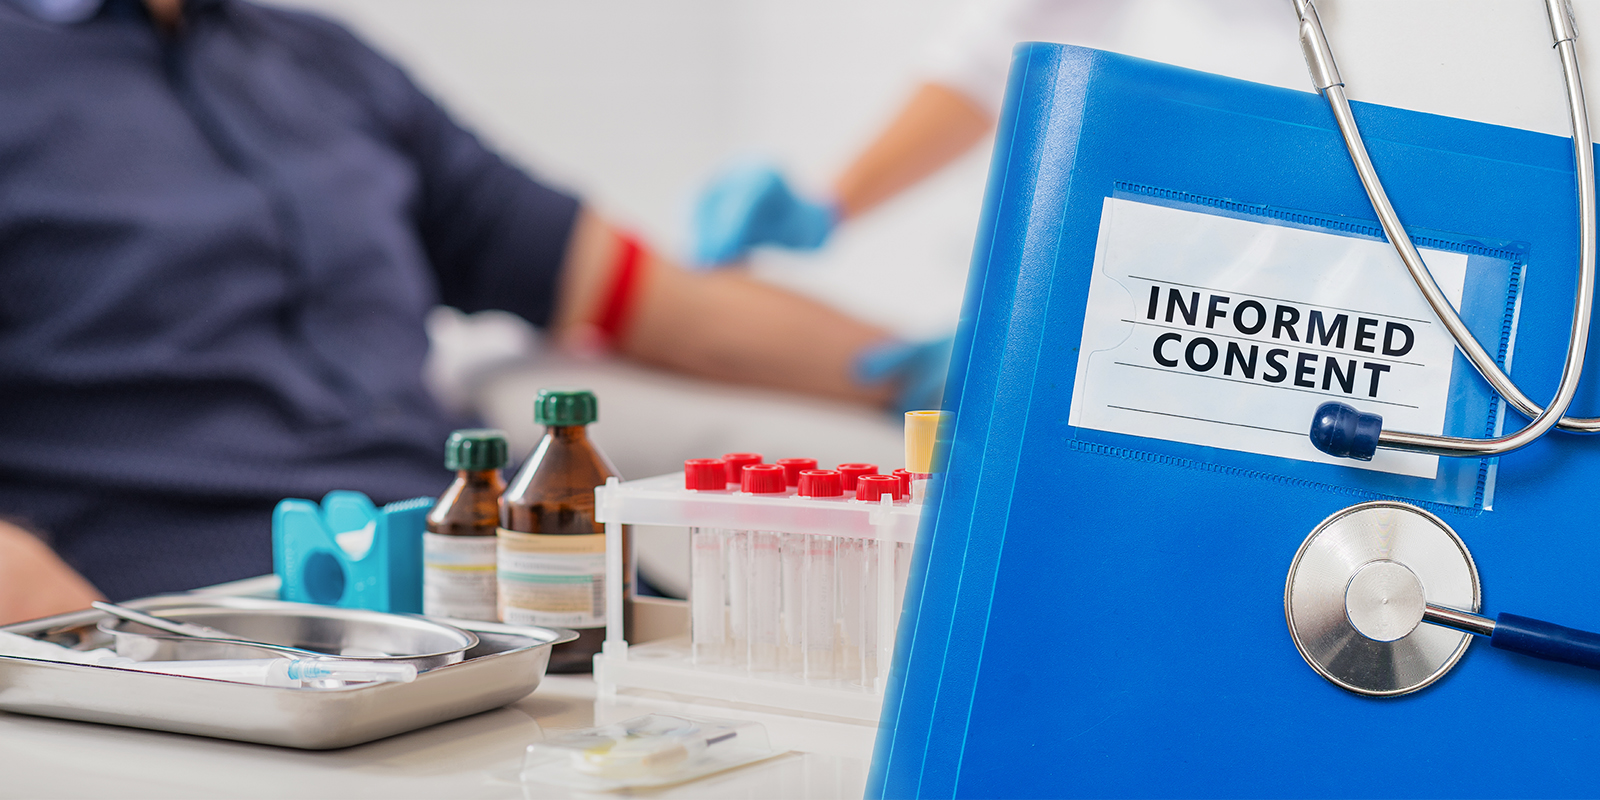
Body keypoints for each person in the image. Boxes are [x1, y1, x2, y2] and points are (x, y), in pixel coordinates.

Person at [0, 0, 938, 623]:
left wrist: (945, 373)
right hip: (204, 617)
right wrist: (107, 664)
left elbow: (659, 304)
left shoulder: (324, 64)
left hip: (489, 585)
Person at [691, 0, 1302, 266]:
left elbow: (1266, 80)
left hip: (1263, 228)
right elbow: (991, 56)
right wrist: (828, 205)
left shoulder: (1257, 54)